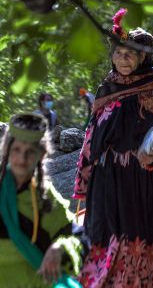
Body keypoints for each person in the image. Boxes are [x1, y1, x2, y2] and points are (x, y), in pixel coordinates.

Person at [73, 8, 153, 287]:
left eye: (130, 54)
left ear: (142, 57)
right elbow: (92, 136)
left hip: (146, 181)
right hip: (110, 182)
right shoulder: (107, 90)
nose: (122, 59)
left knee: (144, 237)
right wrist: (83, 180)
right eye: (118, 53)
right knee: (109, 239)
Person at [0, 113, 83, 287]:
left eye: (30, 152)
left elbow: (77, 238)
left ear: (41, 154)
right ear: (7, 150)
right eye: (16, 150)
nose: (22, 160)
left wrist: (60, 248)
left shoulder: (47, 199)